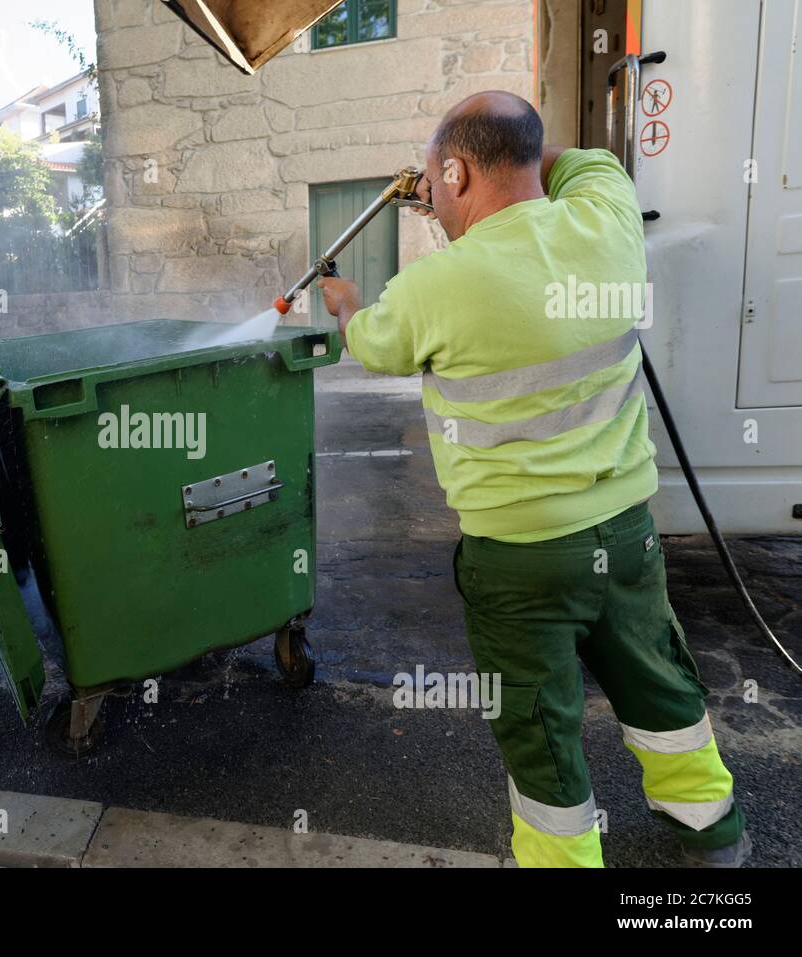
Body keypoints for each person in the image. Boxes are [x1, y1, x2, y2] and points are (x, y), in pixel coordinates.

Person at [318, 91, 748, 867]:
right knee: (659, 684)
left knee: (539, 724)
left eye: (437, 178)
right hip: (625, 537)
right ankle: (712, 835)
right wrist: (491, 166)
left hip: (518, 559)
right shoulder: (606, 219)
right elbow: (580, 164)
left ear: (455, 170)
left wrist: (346, 302)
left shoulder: (434, 288)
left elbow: (372, 346)